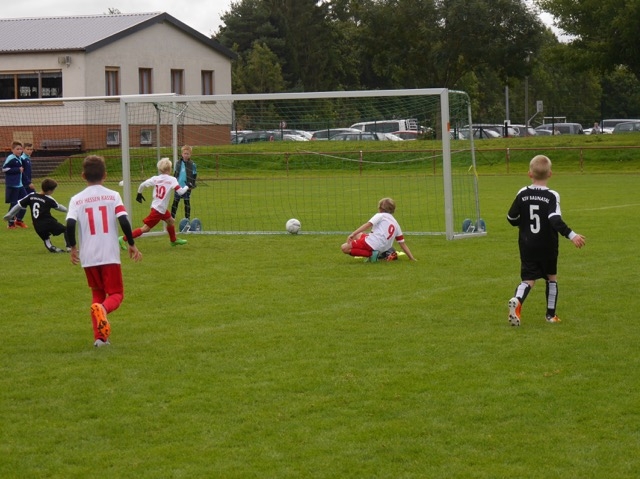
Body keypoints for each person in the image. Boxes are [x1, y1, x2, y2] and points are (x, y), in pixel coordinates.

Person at [66, 155, 142, 347]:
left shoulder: (76, 199)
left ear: (83, 176)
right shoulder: (113, 195)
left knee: (97, 295)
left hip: (88, 256)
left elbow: (70, 224)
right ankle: (104, 310)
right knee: (116, 294)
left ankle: (100, 339)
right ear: (105, 175)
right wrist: (131, 243)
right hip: (109, 254)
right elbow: (123, 220)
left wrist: (72, 247)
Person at [506, 154, 586, 326]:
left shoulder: (522, 193)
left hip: (527, 244)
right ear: (550, 174)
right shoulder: (552, 196)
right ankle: (550, 316)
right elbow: (554, 219)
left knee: (528, 280)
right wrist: (572, 235)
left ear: (529, 174)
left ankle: (517, 300)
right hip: (547, 245)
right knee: (551, 278)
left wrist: (523, 224)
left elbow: (511, 218)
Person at [119, 157, 190, 249]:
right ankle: (123, 239)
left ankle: (173, 240)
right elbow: (180, 192)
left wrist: (139, 193)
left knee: (171, 221)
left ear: (160, 169)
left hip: (157, 207)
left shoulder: (155, 178)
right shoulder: (172, 179)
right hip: (158, 211)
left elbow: (142, 184)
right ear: (170, 169)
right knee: (145, 229)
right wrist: (187, 186)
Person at [3, 178, 71, 253]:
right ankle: (69, 247)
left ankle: (51, 247)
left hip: (37, 226)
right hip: (48, 222)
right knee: (66, 229)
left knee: (46, 238)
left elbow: (19, 205)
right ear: (49, 191)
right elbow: (59, 207)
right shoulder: (49, 199)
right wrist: (68, 210)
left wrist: (10, 214)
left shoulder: (31, 196)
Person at [341, 197, 417, 262]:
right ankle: (374, 253)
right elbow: (402, 244)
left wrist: (353, 234)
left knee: (344, 248)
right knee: (358, 235)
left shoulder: (380, 215)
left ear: (380, 208)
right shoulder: (396, 224)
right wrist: (412, 258)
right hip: (383, 248)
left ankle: (371, 254)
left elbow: (367, 225)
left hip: (372, 242)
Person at [3, 141, 28, 229]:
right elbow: (4, 169)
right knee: (14, 204)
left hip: (19, 185)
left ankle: (19, 220)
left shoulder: (19, 158)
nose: (19, 151)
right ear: (12, 150)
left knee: (25, 201)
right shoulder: (11, 158)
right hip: (13, 185)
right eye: (17, 149)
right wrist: (17, 170)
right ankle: (10, 223)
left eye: (20, 149)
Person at [170, 145, 197, 225]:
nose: (186, 155)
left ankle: (187, 218)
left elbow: (194, 175)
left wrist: (192, 185)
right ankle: (171, 218)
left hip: (187, 187)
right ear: (182, 154)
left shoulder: (192, 164)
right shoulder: (178, 163)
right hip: (178, 186)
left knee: (187, 202)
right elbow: (175, 174)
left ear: (190, 155)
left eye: (188, 154)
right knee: (175, 202)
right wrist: (173, 183)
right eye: (185, 153)